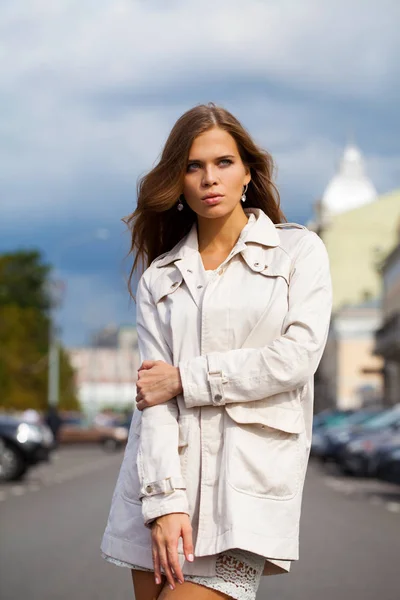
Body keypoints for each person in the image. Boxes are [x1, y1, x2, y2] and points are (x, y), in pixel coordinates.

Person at [101, 103, 332, 600]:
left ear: (247, 171)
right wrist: (164, 503)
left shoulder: (298, 252)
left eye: (223, 162)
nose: (210, 178)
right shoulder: (160, 277)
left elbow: (296, 358)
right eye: (193, 166)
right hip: (163, 486)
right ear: (179, 181)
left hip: (244, 493)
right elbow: (153, 399)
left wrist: (186, 377)